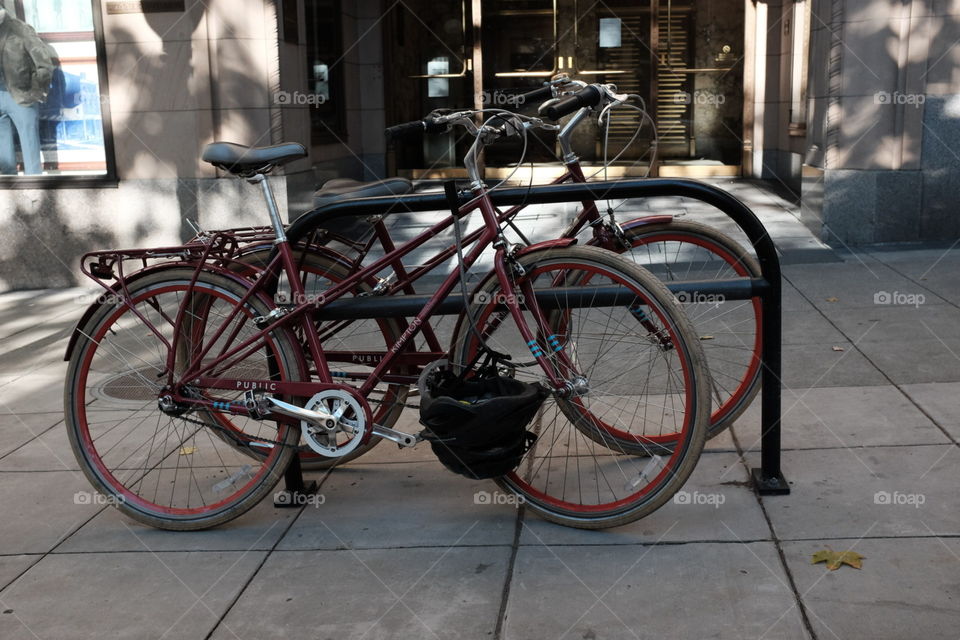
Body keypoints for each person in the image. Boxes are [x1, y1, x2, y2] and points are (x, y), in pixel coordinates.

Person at [0, 7, 57, 175]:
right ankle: (11, 195)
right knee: (4, 156)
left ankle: (36, 193)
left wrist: (35, 92)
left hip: (22, 95)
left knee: (30, 149)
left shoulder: (20, 29)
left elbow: (44, 64)